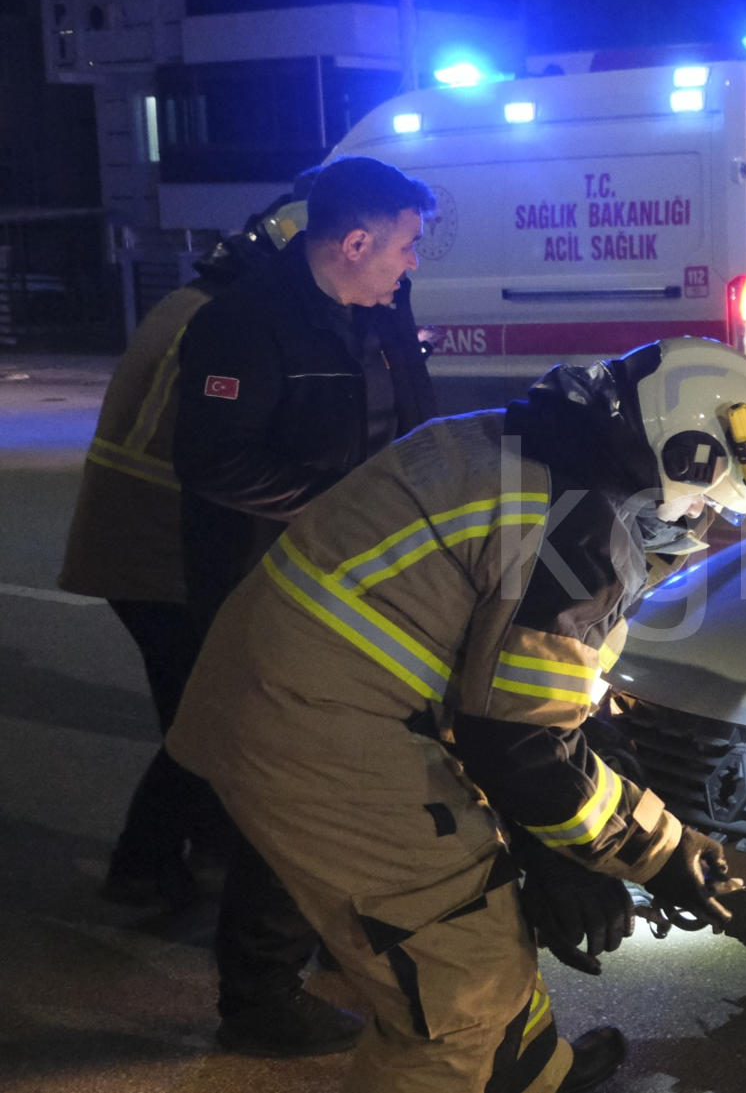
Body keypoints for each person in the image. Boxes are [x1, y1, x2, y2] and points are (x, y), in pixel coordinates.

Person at [166, 338, 746, 1093]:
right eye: (707, 501)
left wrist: (564, 845)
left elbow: (543, 703)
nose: (697, 522)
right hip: (323, 731)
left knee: (481, 920)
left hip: (300, 699)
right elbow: (521, 744)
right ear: (687, 455)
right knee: (461, 981)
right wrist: (657, 852)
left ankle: (530, 1071)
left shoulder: (519, 442)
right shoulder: (581, 528)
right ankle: (487, 1065)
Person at [170, 155, 439, 1057]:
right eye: (404, 245)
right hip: (274, 590)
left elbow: (411, 429)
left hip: (365, 589)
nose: (411, 264)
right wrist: (339, 512)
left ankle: (314, 939)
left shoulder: (382, 310)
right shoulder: (243, 324)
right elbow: (213, 463)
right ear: (355, 241)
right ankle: (257, 996)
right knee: (296, 783)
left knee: (347, 774)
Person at [58, 175, 314, 910]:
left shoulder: (196, 300)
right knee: (206, 720)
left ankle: (204, 845)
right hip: (156, 550)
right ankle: (142, 862)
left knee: (194, 710)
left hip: (132, 545)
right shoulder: (228, 320)